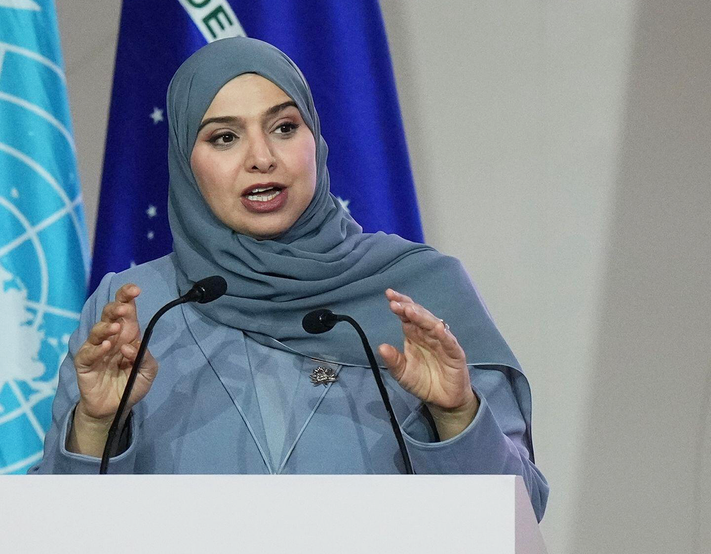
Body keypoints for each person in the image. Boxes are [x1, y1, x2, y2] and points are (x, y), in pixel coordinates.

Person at [31, 37, 549, 520]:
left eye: (284, 127)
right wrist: (96, 425)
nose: (262, 158)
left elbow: (518, 518)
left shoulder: (417, 292)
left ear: (316, 140)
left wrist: (456, 415)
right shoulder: (140, 310)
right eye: (225, 137)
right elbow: (53, 533)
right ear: (186, 163)